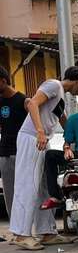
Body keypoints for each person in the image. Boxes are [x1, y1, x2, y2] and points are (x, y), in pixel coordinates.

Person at [9, 65, 78, 250]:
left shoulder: (59, 94)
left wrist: (75, 138)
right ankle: (21, 234)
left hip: (44, 140)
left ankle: (47, 232)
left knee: (45, 186)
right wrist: (39, 131)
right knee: (28, 184)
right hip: (33, 138)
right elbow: (32, 103)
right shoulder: (53, 85)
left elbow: (63, 119)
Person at [0, 66, 27, 243]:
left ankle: (25, 229)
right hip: (4, 153)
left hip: (22, 153)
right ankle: (16, 231)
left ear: (3, 81)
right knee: (9, 193)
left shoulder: (23, 101)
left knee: (23, 193)